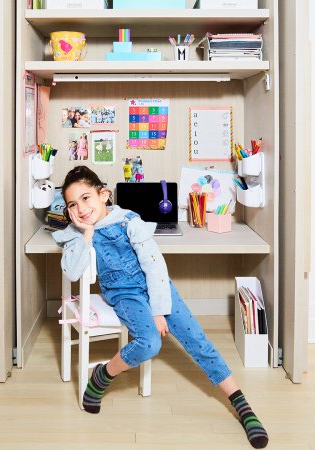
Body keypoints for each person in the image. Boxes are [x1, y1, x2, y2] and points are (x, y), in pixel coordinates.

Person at [53, 166, 269, 450]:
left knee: (198, 342)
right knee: (149, 344)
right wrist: (87, 234)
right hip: (124, 295)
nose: (81, 208)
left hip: (157, 288)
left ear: (103, 195)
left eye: (86, 198)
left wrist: (158, 310)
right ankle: (102, 376)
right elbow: (71, 270)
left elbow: (155, 266)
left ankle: (241, 404)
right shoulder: (75, 234)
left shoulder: (128, 221)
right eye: (72, 204)